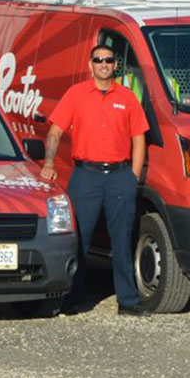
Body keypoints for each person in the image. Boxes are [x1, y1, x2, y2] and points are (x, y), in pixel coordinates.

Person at [41, 45, 150, 317]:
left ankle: (128, 300)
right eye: (98, 60)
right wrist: (49, 163)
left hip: (118, 176)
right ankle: (73, 298)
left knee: (122, 239)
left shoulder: (127, 98)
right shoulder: (76, 94)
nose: (103, 64)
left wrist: (133, 176)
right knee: (79, 240)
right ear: (91, 64)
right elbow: (54, 132)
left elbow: (139, 138)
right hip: (85, 176)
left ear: (116, 66)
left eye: (109, 60)